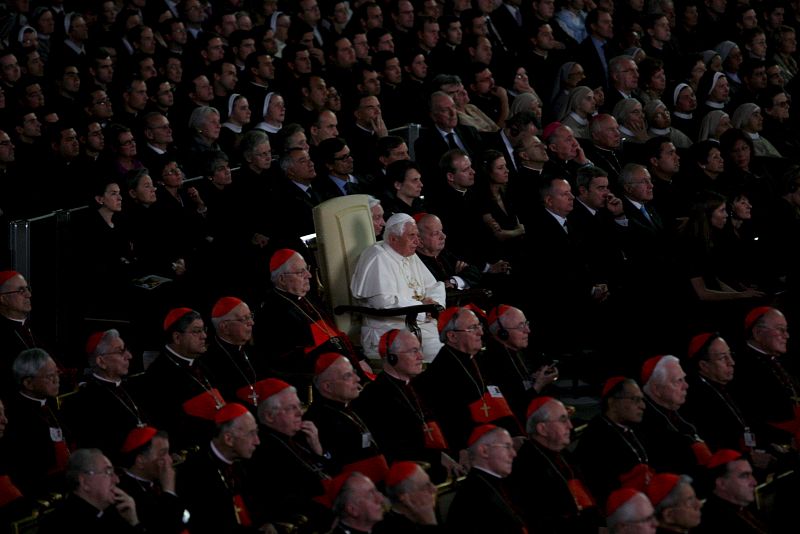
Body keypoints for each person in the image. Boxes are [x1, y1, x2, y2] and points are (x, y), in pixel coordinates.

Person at [352, 329, 457, 481]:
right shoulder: (375, 396)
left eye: (419, 350)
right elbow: (394, 447)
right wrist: (438, 459)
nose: (421, 357)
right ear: (392, 357)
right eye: (413, 351)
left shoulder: (421, 386)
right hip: (408, 474)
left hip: (435, 462)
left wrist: (446, 455)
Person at [416, 307, 522, 453]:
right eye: (472, 328)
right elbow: (455, 424)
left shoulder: (479, 360)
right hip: (474, 447)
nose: (481, 332)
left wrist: (515, 434)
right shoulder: (441, 373)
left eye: (479, 325)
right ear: (452, 336)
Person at [257, 248, 371, 382]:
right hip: (321, 378)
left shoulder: (308, 299)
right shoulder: (273, 312)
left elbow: (333, 334)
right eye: (301, 272)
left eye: (307, 269)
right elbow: (288, 360)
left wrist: (358, 358)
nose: (309, 275)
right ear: (282, 279)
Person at [350, 213, 446, 361]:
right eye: (411, 236)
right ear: (393, 238)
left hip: (420, 325)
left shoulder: (409, 254)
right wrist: (422, 307)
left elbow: (434, 286)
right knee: (443, 356)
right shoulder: (377, 257)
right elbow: (382, 302)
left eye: (417, 235)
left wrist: (434, 305)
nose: (417, 241)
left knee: (458, 344)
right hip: (391, 331)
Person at [245, 378, 331, 530]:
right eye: (292, 408)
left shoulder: (298, 438)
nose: (300, 413)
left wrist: (318, 449)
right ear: (270, 416)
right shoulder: (263, 450)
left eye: (299, 406)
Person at [506, 397, 599, 533]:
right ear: (542, 429)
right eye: (563, 420)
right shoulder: (527, 467)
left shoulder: (563, 454)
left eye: (568, 418)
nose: (570, 426)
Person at [137, 308, 222, 451]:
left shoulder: (202, 365)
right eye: (196, 331)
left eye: (203, 330)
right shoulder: (159, 376)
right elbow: (171, 425)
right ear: (177, 337)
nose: (204, 336)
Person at [177, 403, 263, 534]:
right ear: (228, 439)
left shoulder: (249, 460)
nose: (257, 441)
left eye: (256, 432)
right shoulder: (195, 473)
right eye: (251, 434)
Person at [64, 330, 149, 459]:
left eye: (126, 349)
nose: (129, 356)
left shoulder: (135, 388)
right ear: (101, 361)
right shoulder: (84, 401)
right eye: (120, 351)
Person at [304, 354, 388, 483]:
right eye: (348, 376)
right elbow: (328, 467)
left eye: (354, 373)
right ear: (327, 387)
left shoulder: (350, 407)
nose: (358, 379)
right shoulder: (318, 419)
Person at [2, 348, 71, 500]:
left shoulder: (52, 404)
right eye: (50, 376)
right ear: (28, 383)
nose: (57, 380)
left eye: (57, 373)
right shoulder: (14, 417)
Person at [574, 377, 652, 503]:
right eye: (635, 400)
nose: (642, 406)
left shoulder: (635, 427)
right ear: (612, 403)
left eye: (642, 400)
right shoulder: (596, 438)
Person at [729, 306, 798, 444]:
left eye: (786, 329)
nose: (787, 335)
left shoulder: (778, 359)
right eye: (780, 329)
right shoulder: (743, 367)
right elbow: (752, 417)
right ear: (758, 332)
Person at [478, 305, 558, 422]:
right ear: (502, 333)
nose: (528, 330)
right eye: (521, 326)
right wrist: (538, 385)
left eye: (526, 323)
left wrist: (534, 378)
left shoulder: (516, 349)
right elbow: (516, 407)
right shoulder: (494, 361)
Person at [38, 448, 142, 534]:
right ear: (84, 482)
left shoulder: (117, 512)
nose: (117, 480)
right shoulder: (58, 525)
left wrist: (133, 522)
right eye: (108, 472)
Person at [445, 425, 526, 533]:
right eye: (506, 447)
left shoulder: (497, 482)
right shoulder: (472, 498)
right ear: (484, 451)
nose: (514, 453)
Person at [638, 355, 710, 476]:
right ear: (656, 389)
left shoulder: (681, 408)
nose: (686, 386)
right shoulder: (647, 423)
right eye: (678, 381)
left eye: (684, 379)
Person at [116, 427, 188, 534]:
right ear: (141, 461)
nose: (170, 460)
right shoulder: (125, 494)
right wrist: (168, 490)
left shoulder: (160, 481)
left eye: (169, 453)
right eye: (163, 454)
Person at [201, 296, 262, 407]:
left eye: (250, 316)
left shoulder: (250, 348)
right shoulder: (210, 360)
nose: (252, 322)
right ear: (225, 327)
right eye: (244, 319)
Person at [695, 449, 767, 533]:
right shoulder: (713, 522)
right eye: (744, 476)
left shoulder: (743, 505)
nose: (754, 482)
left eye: (751, 474)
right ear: (721, 483)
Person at [376, 461, 440, 533]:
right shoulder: (389, 528)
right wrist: (430, 521)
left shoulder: (429, 507)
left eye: (430, 482)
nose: (434, 489)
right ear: (405, 498)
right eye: (425, 486)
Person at [0, 271, 38, 392]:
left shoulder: (34, 329)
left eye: (28, 289)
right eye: (21, 290)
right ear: (3, 298)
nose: (29, 294)